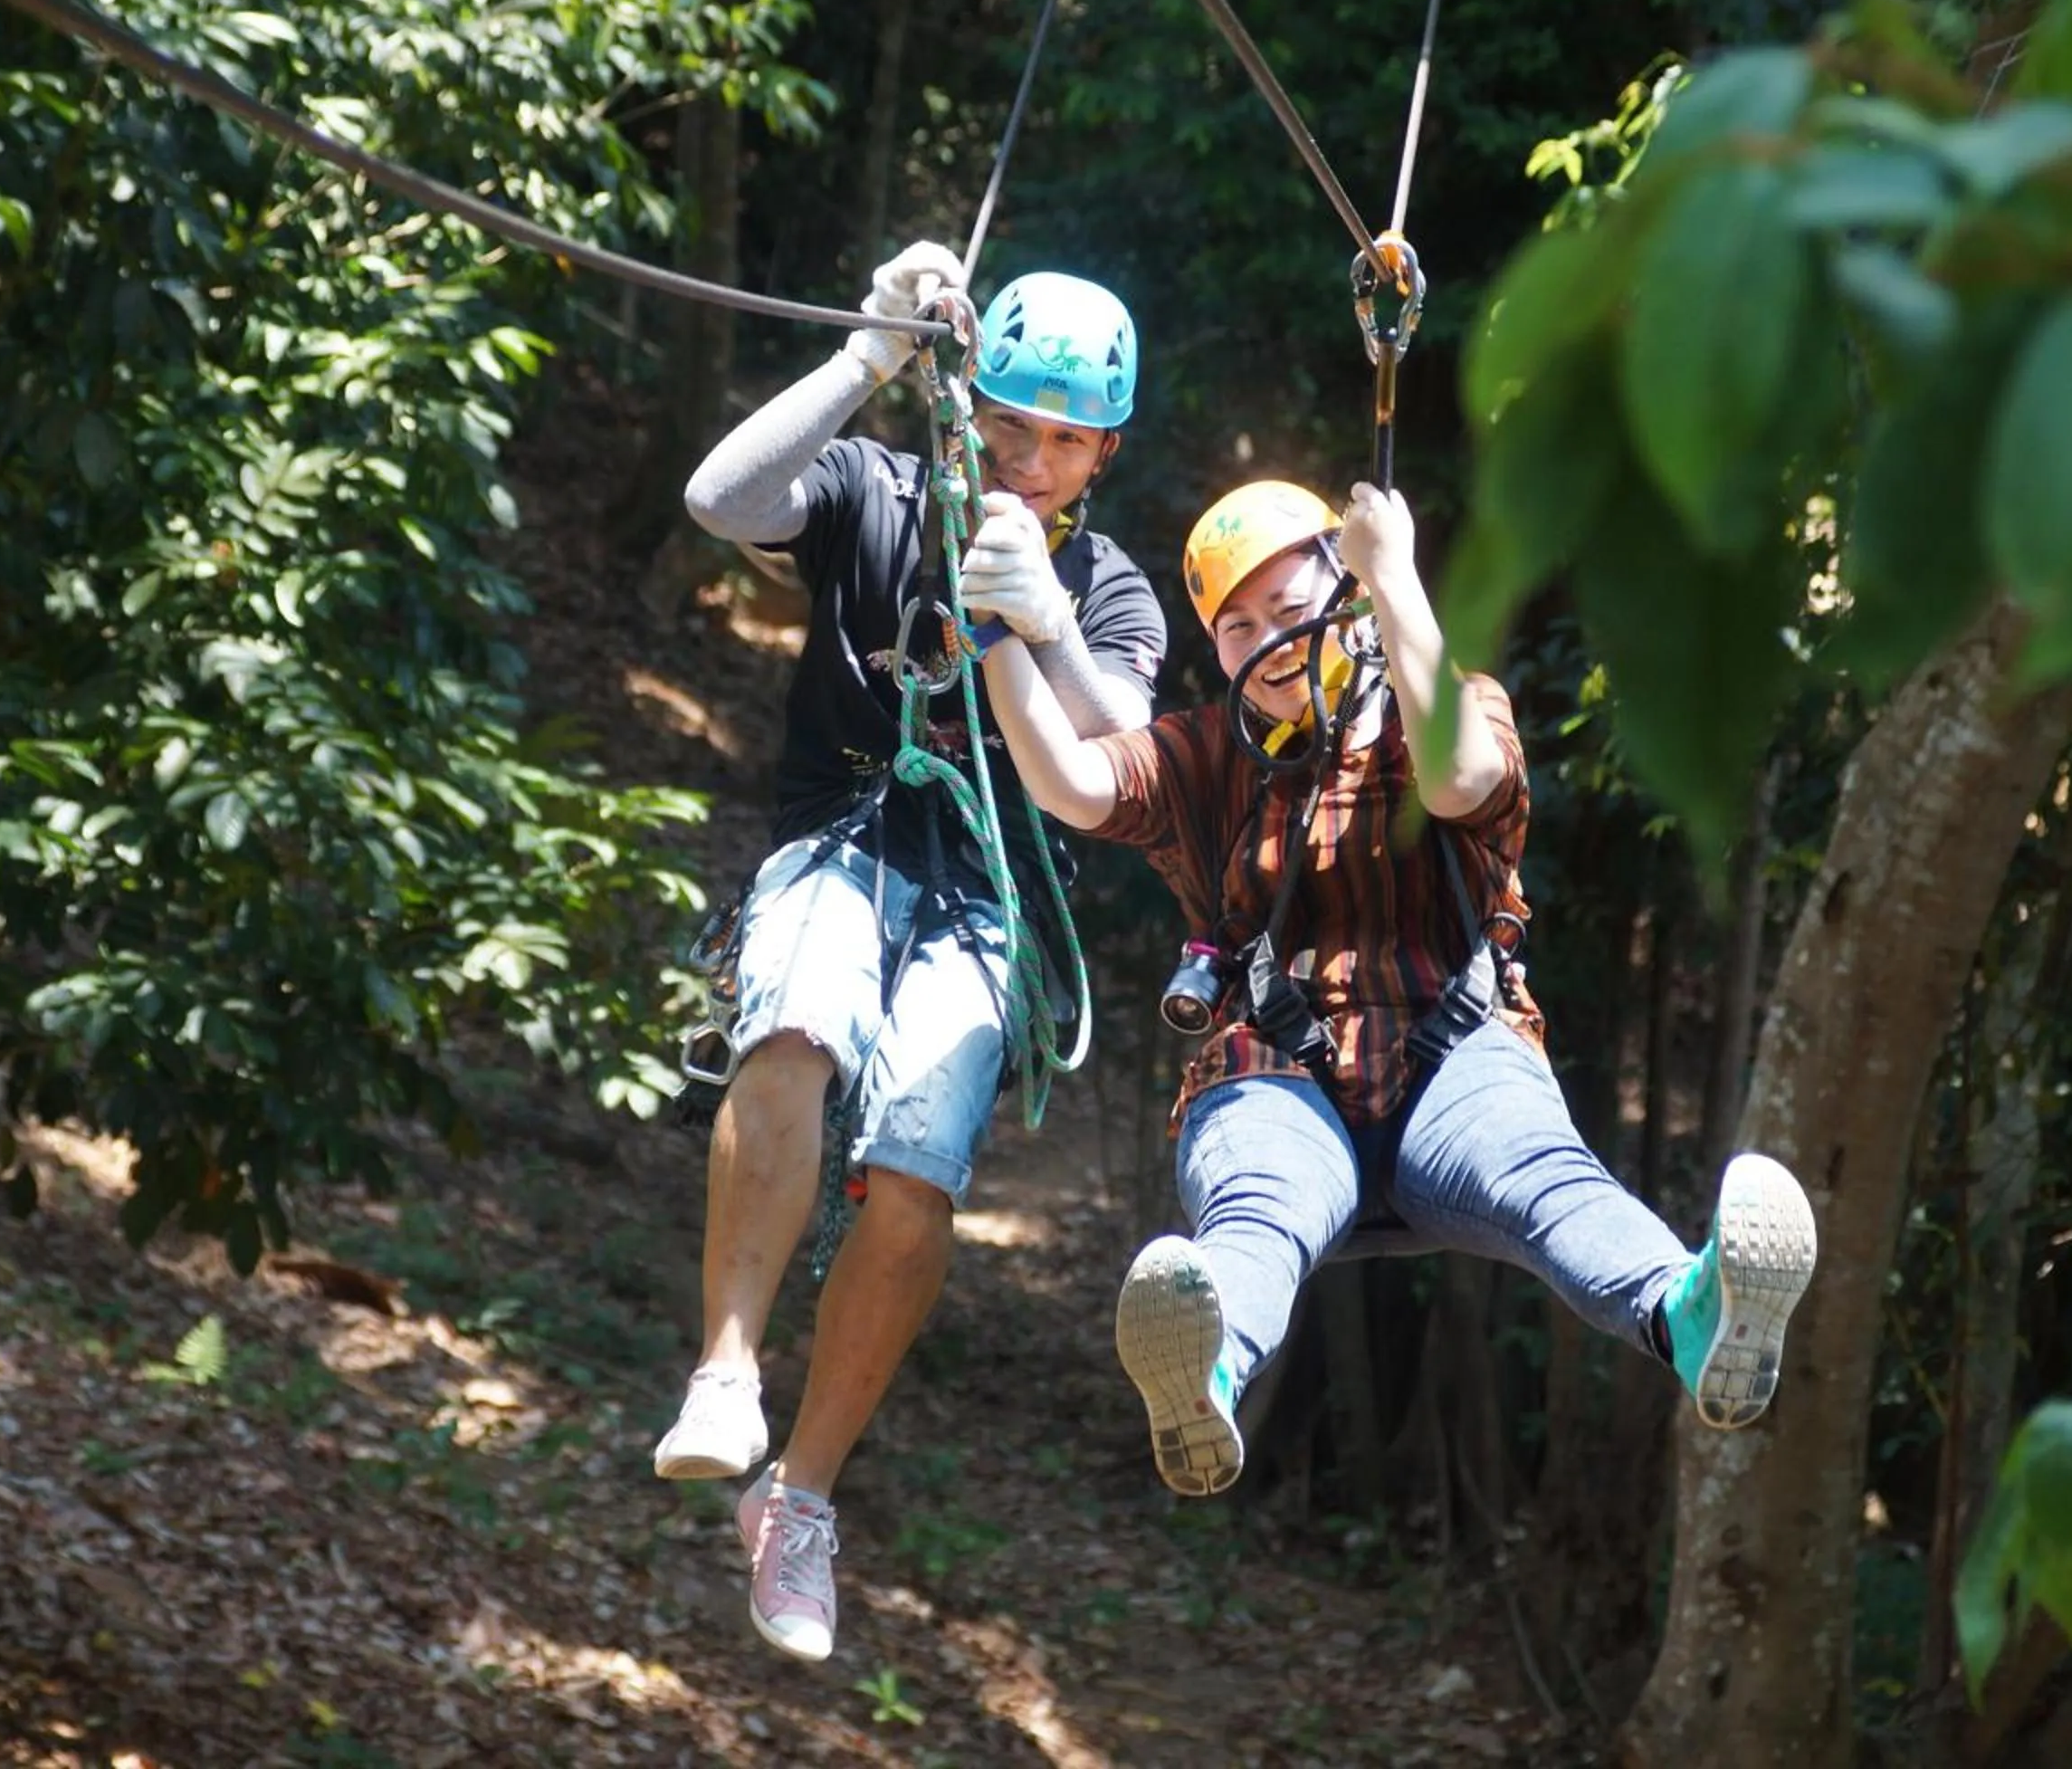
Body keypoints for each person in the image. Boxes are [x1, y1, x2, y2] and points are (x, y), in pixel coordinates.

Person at [972, 476, 1819, 1496]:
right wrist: (995, 636)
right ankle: (1207, 1369)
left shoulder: (1450, 703)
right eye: (1239, 628)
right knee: (1260, 1210)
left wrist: (1397, 577)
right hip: (1274, 1069)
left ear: (1350, 601)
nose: (1272, 643)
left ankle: (1694, 1310)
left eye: (1294, 611)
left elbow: (1460, 780)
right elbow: (1071, 780)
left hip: (1452, 1053)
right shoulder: (1206, 754)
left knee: (1549, 1183)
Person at [658, 241, 1167, 1658]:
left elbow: (1120, 751)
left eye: (1065, 443)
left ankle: (801, 1502)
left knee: (920, 1179)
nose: (1030, 460)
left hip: (983, 901)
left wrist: (1043, 619)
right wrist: (865, 351)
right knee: (798, 1026)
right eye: (1007, 423)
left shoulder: (1116, 589)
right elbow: (720, 500)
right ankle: (726, 1372)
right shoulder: (881, 492)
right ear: (965, 400)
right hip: (842, 839)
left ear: (1105, 456)